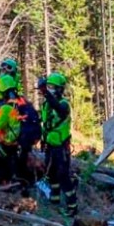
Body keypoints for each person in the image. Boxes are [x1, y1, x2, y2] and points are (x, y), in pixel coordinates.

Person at [38, 72, 76, 215]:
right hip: (50, 145)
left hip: (61, 147)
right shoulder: (46, 104)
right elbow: (46, 124)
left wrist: (45, 92)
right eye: (48, 86)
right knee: (52, 174)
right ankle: (54, 200)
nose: (50, 89)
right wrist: (43, 140)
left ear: (60, 89)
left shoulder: (63, 104)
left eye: (52, 87)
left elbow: (59, 110)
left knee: (63, 176)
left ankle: (72, 206)